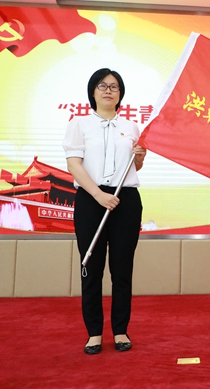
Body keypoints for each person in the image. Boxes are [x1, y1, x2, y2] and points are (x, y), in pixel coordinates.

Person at [62, 68, 147, 354]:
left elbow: (134, 168)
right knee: (91, 266)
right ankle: (94, 333)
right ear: (93, 91)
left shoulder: (132, 126)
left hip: (126, 200)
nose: (108, 90)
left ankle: (120, 330)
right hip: (91, 199)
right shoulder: (79, 123)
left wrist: (140, 158)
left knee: (122, 269)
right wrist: (98, 195)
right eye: (102, 85)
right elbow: (73, 164)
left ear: (121, 94)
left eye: (114, 86)